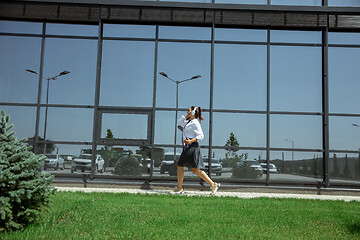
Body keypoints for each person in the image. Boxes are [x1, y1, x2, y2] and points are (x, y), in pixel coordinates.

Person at [171, 106, 220, 195]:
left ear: (193, 113)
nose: (187, 111)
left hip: (192, 147)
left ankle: (179, 188)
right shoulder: (188, 122)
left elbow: (201, 136)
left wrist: (190, 141)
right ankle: (213, 184)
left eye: (189, 110)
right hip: (187, 147)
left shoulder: (195, 123)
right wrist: (187, 115)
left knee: (181, 166)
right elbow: (179, 123)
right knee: (194, 169)